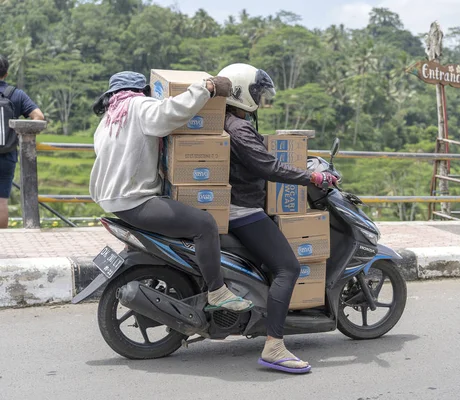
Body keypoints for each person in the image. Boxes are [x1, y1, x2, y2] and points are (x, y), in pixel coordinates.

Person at [89, 71, 252, 312]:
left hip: (114, 202)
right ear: (139, 91)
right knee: (205, 225)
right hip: (135, 201)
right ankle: (217, 291)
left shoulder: (109, 120)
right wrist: (206, 87)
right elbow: (169, 113)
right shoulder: (137, 106)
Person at [218, 63, 338, 374]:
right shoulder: (239, 127)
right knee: (288, 267)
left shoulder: (225, 121)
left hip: (234, 207)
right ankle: (274, 346)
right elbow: (269, 168)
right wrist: (312, 177)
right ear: (242, 92)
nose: (260, 98)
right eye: (257, 92)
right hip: (242, 210)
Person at [0, 55, 45, 229]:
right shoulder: (15, 94)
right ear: (7, 73)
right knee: (2, 200)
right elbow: (38, 116)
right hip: (7, 154)